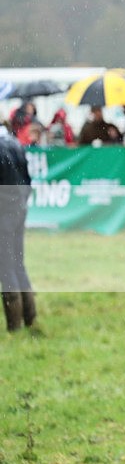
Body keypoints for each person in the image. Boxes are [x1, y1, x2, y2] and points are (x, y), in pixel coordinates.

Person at [0, 125, 36, 331]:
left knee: (6, 267)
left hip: (4, 213)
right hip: (18, 209)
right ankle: (30, 317)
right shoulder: (15, 144)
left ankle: (14, 326)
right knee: (18, 264)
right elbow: (27, 181)